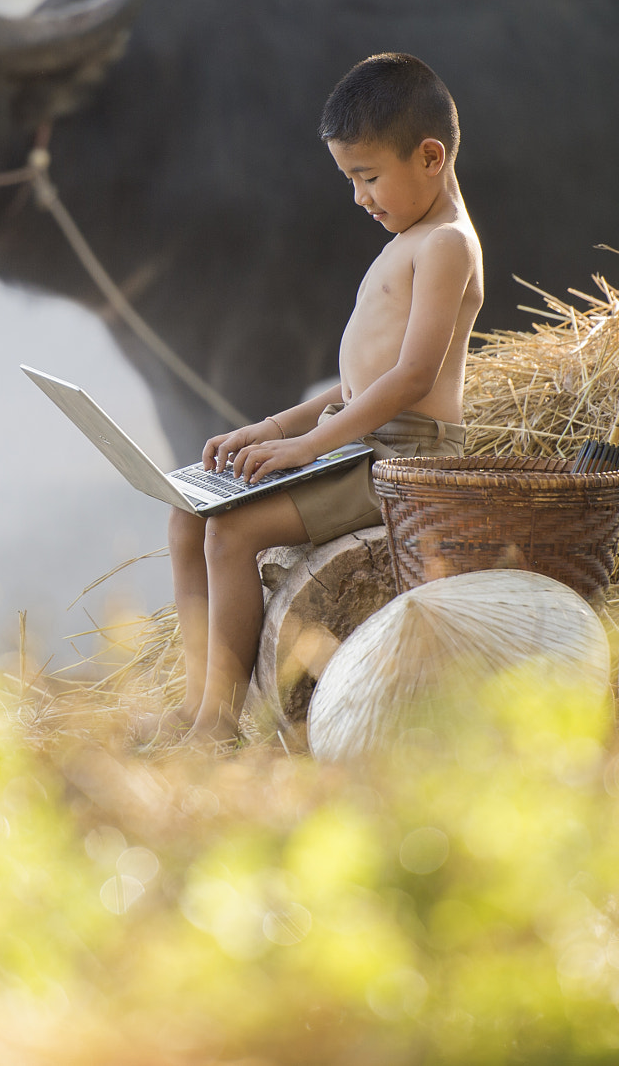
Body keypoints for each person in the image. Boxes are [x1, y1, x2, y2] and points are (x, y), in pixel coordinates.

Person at [163, 53, 484, 743]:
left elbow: (412, 378)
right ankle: (195, 701)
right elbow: (354, 387)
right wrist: (271, 426)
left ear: (430, 157)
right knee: (188, 516)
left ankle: (220, 725)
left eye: (368, 177)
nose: (360, 198)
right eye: (351, 180)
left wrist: (310, 446)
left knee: (233, 531)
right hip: (359, 442)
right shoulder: (411, 238)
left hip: (401, 463)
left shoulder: (448, 244)